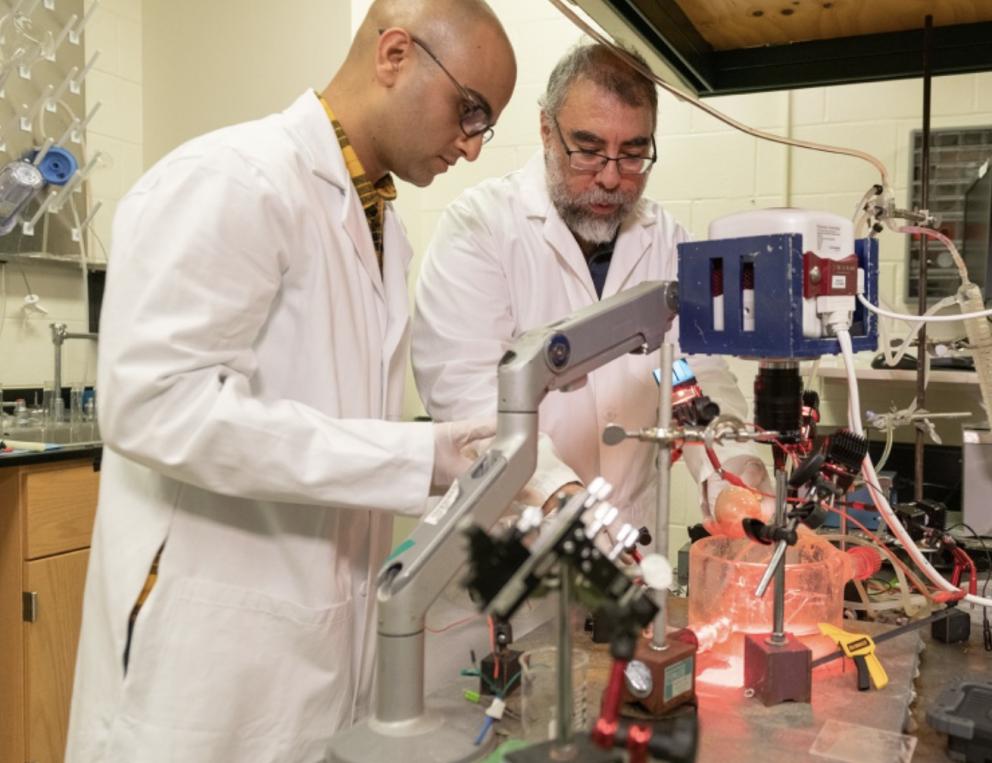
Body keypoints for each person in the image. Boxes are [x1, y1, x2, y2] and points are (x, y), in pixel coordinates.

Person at [65, 2, 515, 761]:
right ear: (394, 55)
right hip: (202, 661)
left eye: (486, 126)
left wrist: (430, 462)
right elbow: (153, 404)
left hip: (315, 650)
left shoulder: (383, 227)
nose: (471, 146)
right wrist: (414, 457)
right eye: (469, 110)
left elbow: (323, 423)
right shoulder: (232, 180)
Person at [412, 43, 771, 555]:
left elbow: (692, 375)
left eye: (633, 154)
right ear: (546, 129)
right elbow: (469, 402)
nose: (610, 177)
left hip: (632, 547)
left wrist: (732, 471)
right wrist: (566, 500)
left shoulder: (667, 240)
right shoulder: (480, 228)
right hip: (512, 549)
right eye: (588, 149)